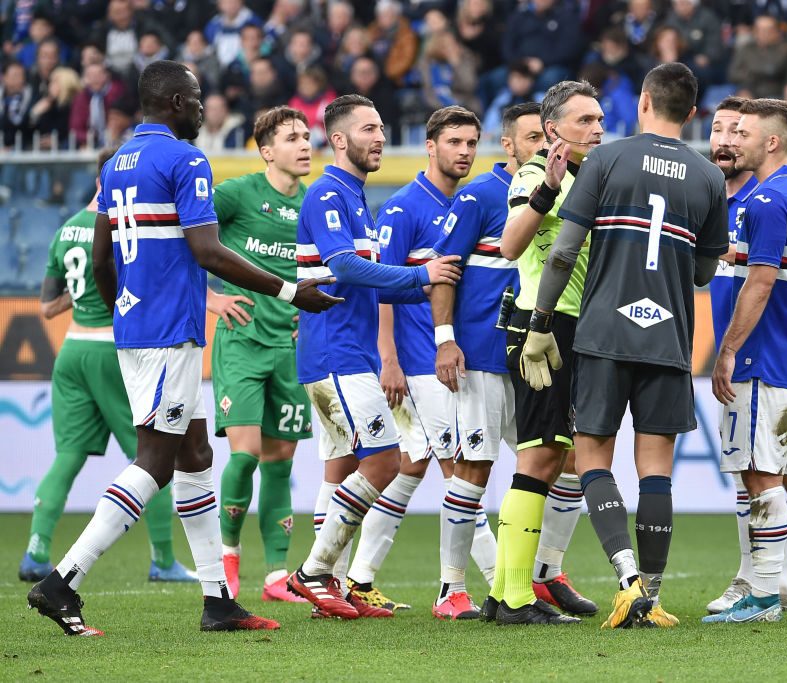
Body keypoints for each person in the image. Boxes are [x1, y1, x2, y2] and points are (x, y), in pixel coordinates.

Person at [27, 59, 340, 637]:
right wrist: (291, 291)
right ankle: (62, 580)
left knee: (195, 458)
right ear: (174, 102)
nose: (202, 108)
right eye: (196, 99)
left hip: (137, 328)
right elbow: (208, 251)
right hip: (170, 331)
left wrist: (127, 307)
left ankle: (217, 600)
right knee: (155, 459)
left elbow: (101, 259)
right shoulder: (185, 158)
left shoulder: (117, 161)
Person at [521, 63, 727, 629]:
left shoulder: (608, 160)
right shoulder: (709, 177)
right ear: (691, 114)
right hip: (668, 338)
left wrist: (541, 321)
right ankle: (653, 597)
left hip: (605, 335)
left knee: (591, 456)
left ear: (641, 102)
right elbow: (706, 272)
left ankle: (625, 578)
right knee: (655, 467)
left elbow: (564, 251)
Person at [283, 94, 463, 620]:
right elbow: (342, 266)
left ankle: (329, 585)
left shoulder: (356, 198)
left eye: (381, 126)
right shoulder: (327, 195)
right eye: (368, 129)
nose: (379, 137)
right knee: (384, 460)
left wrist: (430, 288)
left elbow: (372, 286)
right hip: (336, 351)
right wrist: (418, 277)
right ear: (338, 140)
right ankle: (314, 573)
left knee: (344, 470)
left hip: (346, 350)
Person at [18, 147, 196, 586]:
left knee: (68, 456)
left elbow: (46, 307)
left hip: (72, 351)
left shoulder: (64, 229)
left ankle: (36, 551)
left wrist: (79, 298)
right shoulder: (124, 223)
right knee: (152, 459)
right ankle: (163, 561)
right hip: (111, 351)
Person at [344, 105, 488, 616]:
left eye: (472, 143)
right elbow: (382, 290)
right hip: (418, 362)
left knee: (414, 463)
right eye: (454, 142)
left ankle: (357, 580)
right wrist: (389, 359)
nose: (464, 152)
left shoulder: (471, 204)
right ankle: (495, 584)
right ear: (431, 146)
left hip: (452, 356)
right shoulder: (405, 208)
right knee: (461, 470)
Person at [704, 98, 787, 624]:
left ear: (772, 142)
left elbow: (760, 283)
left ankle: (763, 597)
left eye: (745, 132)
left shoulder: (764, 201)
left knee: (760, 477)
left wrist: (729, 349)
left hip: (763, 360)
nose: (735, 140)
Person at [490, 80, 606, 626]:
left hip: (575, 324)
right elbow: (510, 244)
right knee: (539, 456)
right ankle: (515, 599)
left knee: (555, 455)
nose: (598, 129)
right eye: (585, 120)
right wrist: (545, 191)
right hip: (541, 323)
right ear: (555, 128)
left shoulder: (592, 175)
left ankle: (503, 591)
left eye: (601, 119)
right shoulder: (536, 173)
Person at [430, 102, 552, 623]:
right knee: (474, 469)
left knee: (552, 463)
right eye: (531, 139)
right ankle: (450, 588)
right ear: (509, 145)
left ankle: (538, 578)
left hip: (533, 356)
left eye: (545, 140)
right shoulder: (481, 194)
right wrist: (444, 339)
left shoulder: (558, 192)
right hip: (481, 354)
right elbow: (443, 270)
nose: (541, 149)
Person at [202, 106, 318, 604]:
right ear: (267, 151)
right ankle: (227, 560)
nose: (305, 144)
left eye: (308, 136)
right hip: (242, 342)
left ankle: (276, 577)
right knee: (244, 457)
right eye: (293, 138)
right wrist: (211, 299)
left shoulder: (314, 204)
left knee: (279, 463)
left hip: (290, 349)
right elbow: (181, 242)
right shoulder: (236, 194)